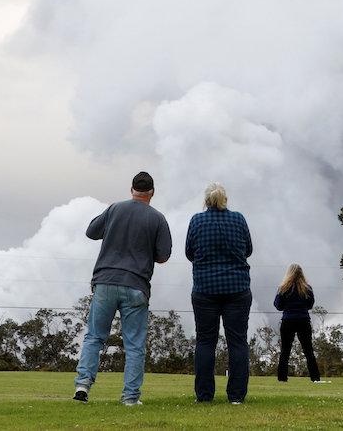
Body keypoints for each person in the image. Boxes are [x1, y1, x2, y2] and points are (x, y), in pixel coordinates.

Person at [73, 171, 172, 406]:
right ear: (152, 193)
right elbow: (163, 256)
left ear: (131, 190)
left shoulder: (114, 209)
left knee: (95, 337)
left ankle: (83, 385)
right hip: (136, 285)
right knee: (135, 345)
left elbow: (91, 232)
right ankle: (129, 397)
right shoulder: (157, 218)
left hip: (105, 281)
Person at [186, 182, 253, 404]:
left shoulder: (197, 220)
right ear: (225, 199)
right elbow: (248, 249)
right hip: (237, 287)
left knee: (205, 341)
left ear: (206, 200)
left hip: (205, 289)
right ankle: (236, 396)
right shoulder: (238, 219)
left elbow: (189, 252)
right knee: (237, 342)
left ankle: (204, 395)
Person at [273, 263, 322, 383]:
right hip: (303, 320)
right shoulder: (307, 288)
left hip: (288, 320)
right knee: (308, 350)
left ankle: (282, 378)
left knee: (285, 350)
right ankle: (315, 378)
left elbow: (278, 306)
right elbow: (310, 305)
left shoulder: (283, 288)